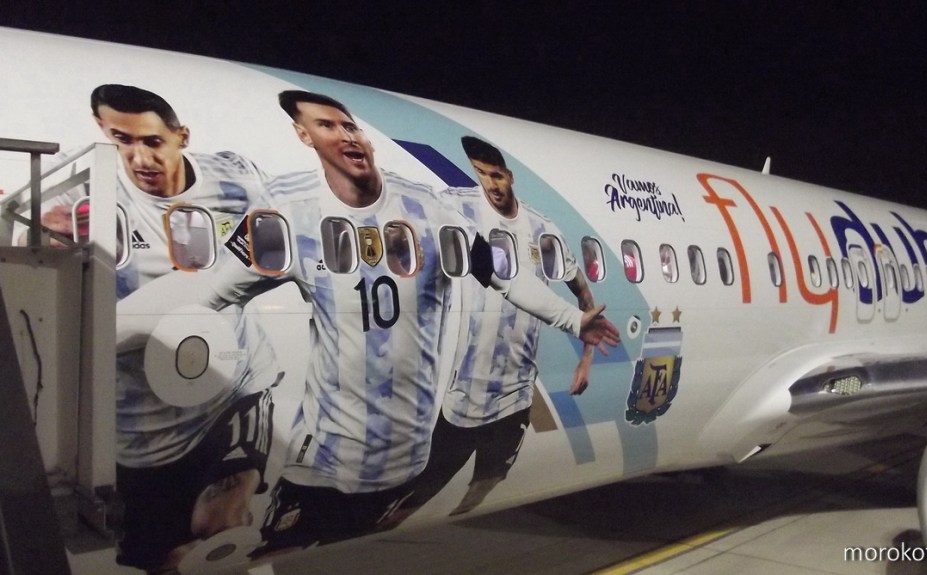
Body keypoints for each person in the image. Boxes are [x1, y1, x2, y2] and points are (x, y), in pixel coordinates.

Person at [118, 90, 619, 555]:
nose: (346, 135)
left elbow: (503, 276)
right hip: (323, 463)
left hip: (405, 458)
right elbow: (209, 289)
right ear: (303, 135)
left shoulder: (428, 208)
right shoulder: (288, 209)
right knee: (280, 549)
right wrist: (115, 331)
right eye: (326, 126)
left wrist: (573, 320)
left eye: (349, 125)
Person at [41, 84, 280, 573]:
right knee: (159, 558)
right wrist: (45, 233)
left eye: (152, 141)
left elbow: (280, 235)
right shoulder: (78, 182)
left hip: (230, 395)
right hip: (142, 434)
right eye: (121, 139)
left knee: (221, 530)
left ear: (181, 136)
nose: (138, 157)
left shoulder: (234, 178)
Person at [388, 136, 600, 523]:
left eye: (497, 175)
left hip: (516, 397)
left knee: (487, 482)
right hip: (463, 400)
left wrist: (586, 360)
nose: (491, 184)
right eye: (482, 174)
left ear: (510, 175)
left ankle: (462, 517)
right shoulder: (460, 206)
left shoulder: (541, 229)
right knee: (418, 494)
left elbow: (584, 295)